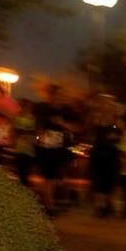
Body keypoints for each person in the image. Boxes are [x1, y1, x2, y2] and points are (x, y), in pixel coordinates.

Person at [34, 84, 77, 216]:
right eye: (57, 95)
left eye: (62, 95)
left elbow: (77, 128)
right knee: (48, 178)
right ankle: (49, 205)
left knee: (56, 178)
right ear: (51, 95)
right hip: (45, 148)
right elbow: (38, 126)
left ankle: (49, 203)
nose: (59, 98)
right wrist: (39, 137)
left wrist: (62, 124)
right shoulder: (43, 108)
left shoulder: (67, 111)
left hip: (61, 149)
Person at [13, 99, 37, 186]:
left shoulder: (32, 118)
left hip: (28, 147)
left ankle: (24, 185)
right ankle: (24, 185)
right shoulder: (18, 117)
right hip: (21, 147)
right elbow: (14, 130)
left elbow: (35, 132)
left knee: (25, 169)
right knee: (22, 169)